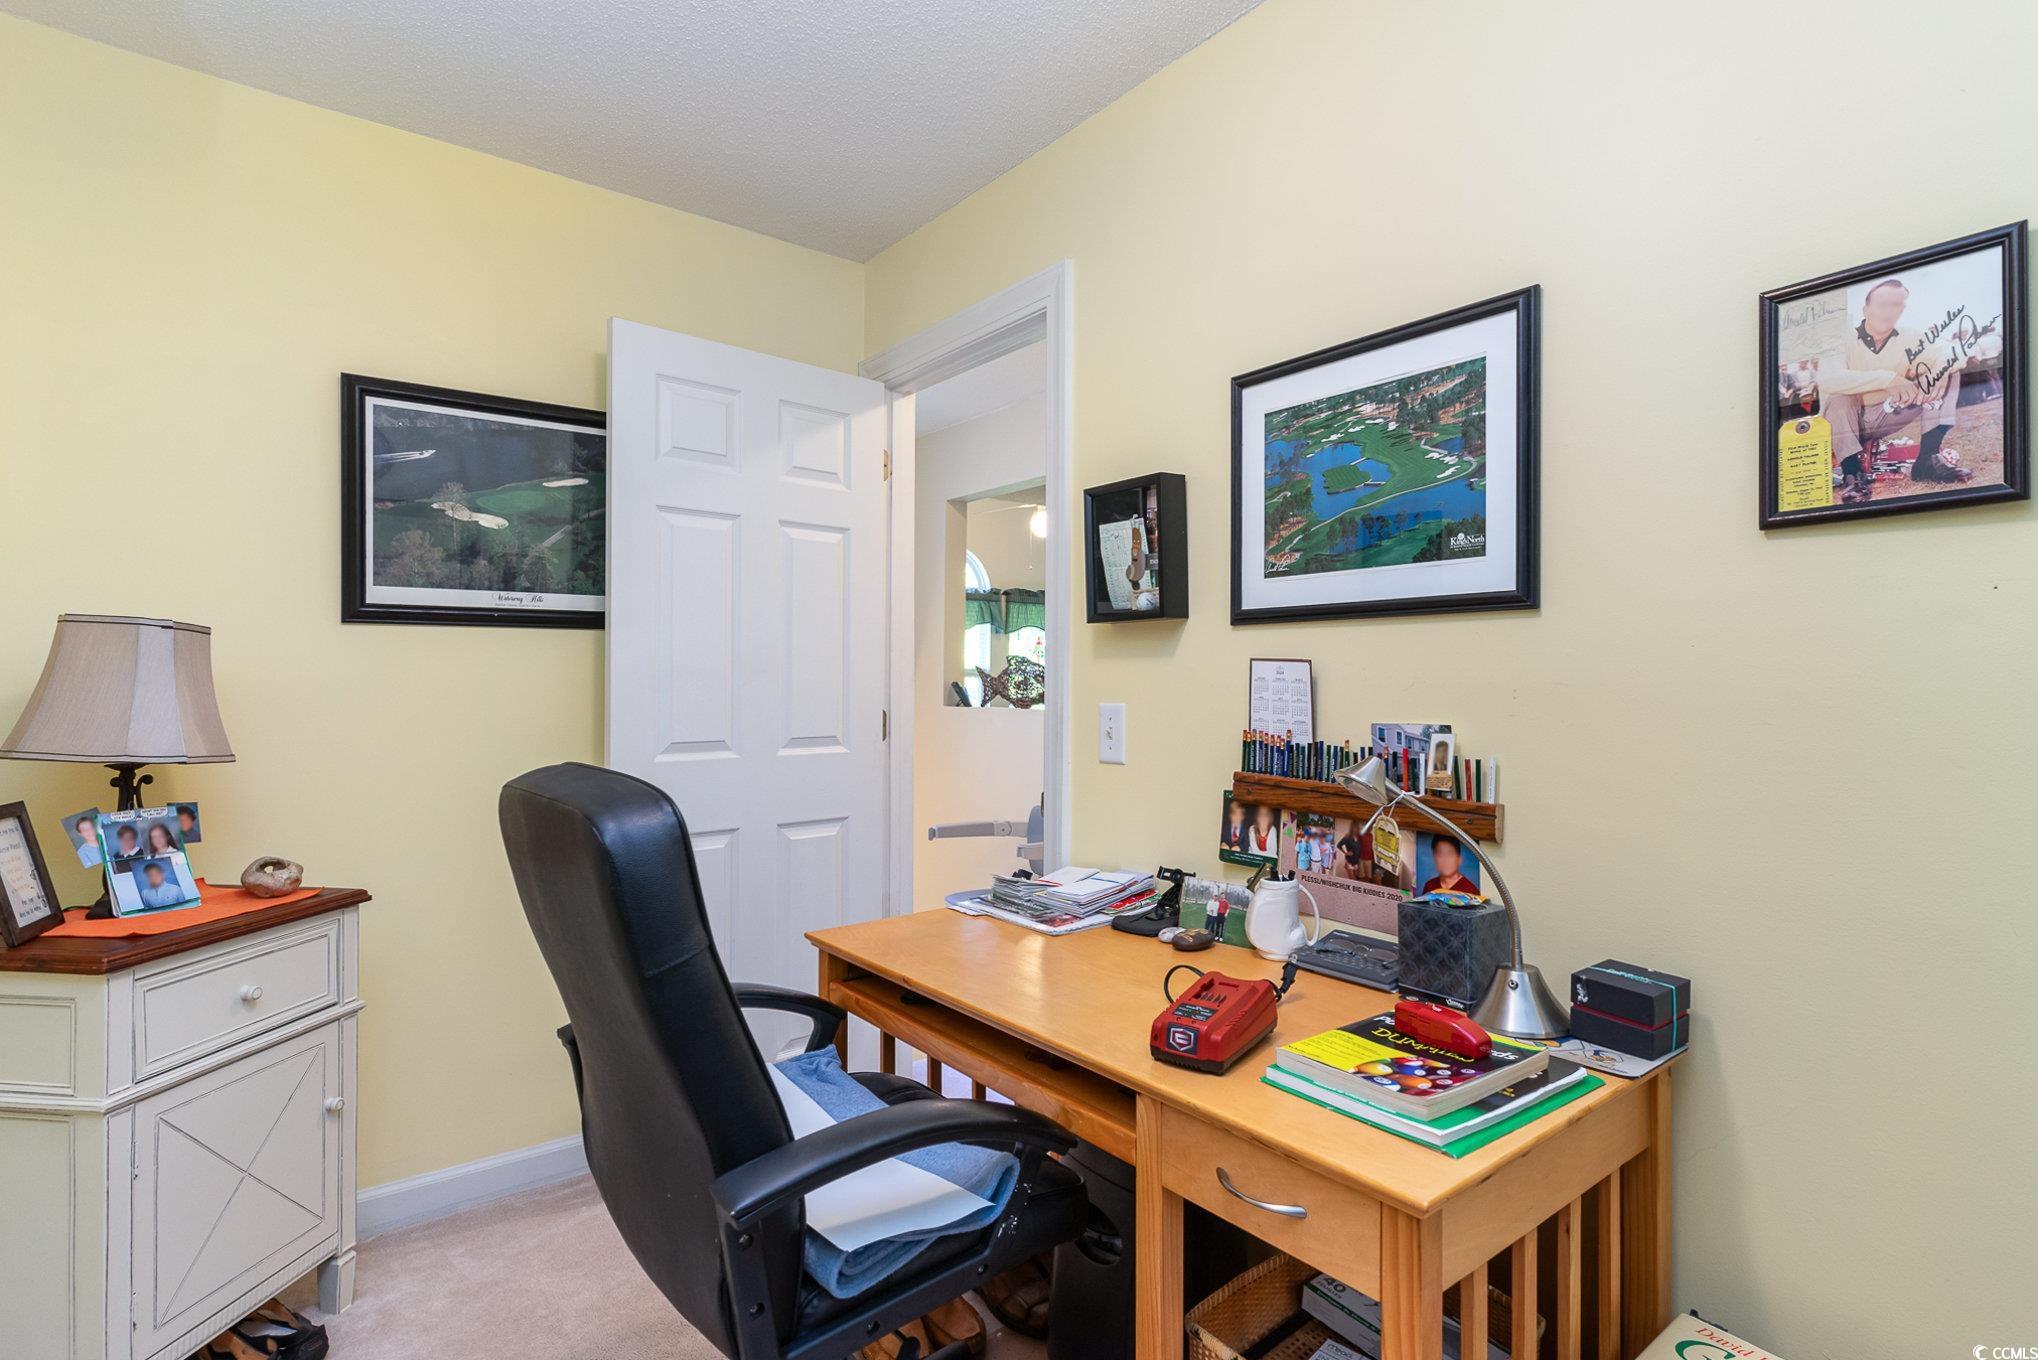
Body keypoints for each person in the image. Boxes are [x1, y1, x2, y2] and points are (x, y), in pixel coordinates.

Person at [1816, 278, 1972, 503]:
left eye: (1896, 305)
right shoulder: (1838, 339)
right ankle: (1852, 474)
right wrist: (1886, 379)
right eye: (1882, 304)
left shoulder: (1910, 336)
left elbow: (1954, 351)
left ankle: (1927, 460)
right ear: (1866, 309)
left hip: (1888, 412)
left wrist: (1940, 371)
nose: (1889, 311)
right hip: (1844, 422)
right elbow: (1827, 379)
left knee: (1949, 373)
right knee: (1840, 397)